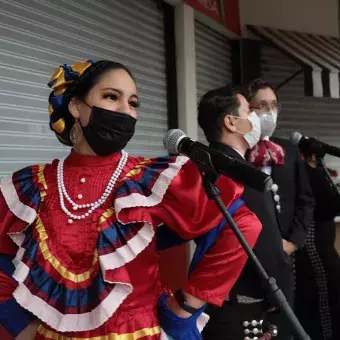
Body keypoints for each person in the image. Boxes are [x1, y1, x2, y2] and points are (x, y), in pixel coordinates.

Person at [0, 60, 262, 340]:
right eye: (112, 97)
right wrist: (17, 324)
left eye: (133, 103)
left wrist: (186, 306)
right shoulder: (31, 184)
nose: (127, 111)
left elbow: (244, 223)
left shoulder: (153, 177)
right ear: (76, 106)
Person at [198, 85, 296, 340]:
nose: (256, 116)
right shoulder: (237, 173)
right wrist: (283, 291)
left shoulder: (212, 164)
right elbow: (263, 246)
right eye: (248, 110)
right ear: (231, 122)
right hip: (245, 308)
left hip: (224, 305)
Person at [294, 146, 340, 340]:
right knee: (324, 305)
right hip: (314, 250)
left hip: (321, 247)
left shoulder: (315, 172)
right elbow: (328, 207)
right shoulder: (307, 174)